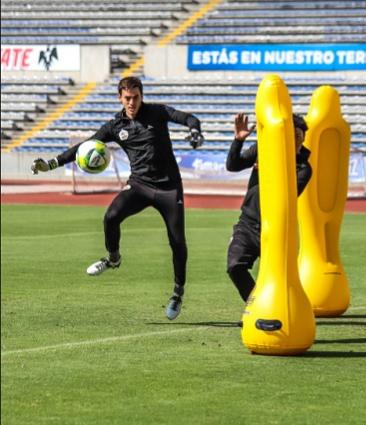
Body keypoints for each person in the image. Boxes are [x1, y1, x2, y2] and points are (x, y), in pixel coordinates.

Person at [30, 76, 204, 321]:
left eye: (135, 97)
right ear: (120, 98)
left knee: (177, 241)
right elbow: (84, 146)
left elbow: (188, 118)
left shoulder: (158, 112)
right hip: (139, 186)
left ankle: (178, 292)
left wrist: (195, 131)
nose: (132, 102)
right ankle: (113, 258)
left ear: (142, 96)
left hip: (169, 189)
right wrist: (52, 163)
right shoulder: (115, 125)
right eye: (127, 98)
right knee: (111, 216)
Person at [226, 112, 312, 302]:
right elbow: (233, 166)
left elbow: (288, 195)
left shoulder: (304, 168)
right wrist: (238, 141)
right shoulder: (262, 148)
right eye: (293, 135)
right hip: (248, 222)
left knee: (277, 276)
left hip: (277, 227)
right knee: (234, 266)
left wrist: (270, 170)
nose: (297, 141)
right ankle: (257, 306)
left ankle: (280, 310)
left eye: (300, 136)